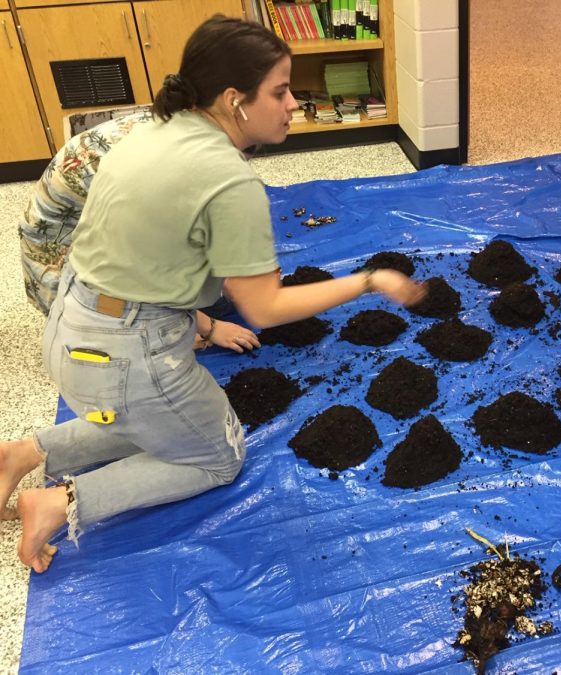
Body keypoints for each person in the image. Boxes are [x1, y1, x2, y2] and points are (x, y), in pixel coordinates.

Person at [1, 15, 425, 573]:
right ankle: (58, 501)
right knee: (217, 454)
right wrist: (369, 280)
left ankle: (23, 452)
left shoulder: (151, 129)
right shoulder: (230, 180)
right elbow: (266, 307)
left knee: (148, 423)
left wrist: (203, 326)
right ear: (235, 100)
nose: (294, 103)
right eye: (280, 91)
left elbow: (149, 262)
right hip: (126, 359)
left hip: (70, 324)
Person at [20, 110, 258, 353]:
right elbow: (145, 270)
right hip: (64, 259)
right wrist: (209, 327)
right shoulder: (157, 181)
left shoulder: (190, 130)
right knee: (158, 336)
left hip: (95, 226)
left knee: (212, 296)